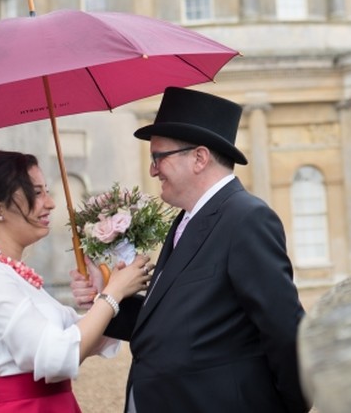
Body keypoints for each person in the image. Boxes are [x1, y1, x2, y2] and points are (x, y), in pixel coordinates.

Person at [70, 87, 311, 413]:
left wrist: (289, 405)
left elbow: (284, 330)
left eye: (158, 157)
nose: (153, 170)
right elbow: (169, 322)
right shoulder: (187, 218)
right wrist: (107, 299)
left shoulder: (246, 218)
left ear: (199, 158)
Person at [0, 150, 154, 413]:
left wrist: (103, 293)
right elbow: (56, 355)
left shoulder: (14, 275)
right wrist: (112, 294)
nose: (51, 203)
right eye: (37, 192)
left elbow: (81, 340)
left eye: (46, 191)